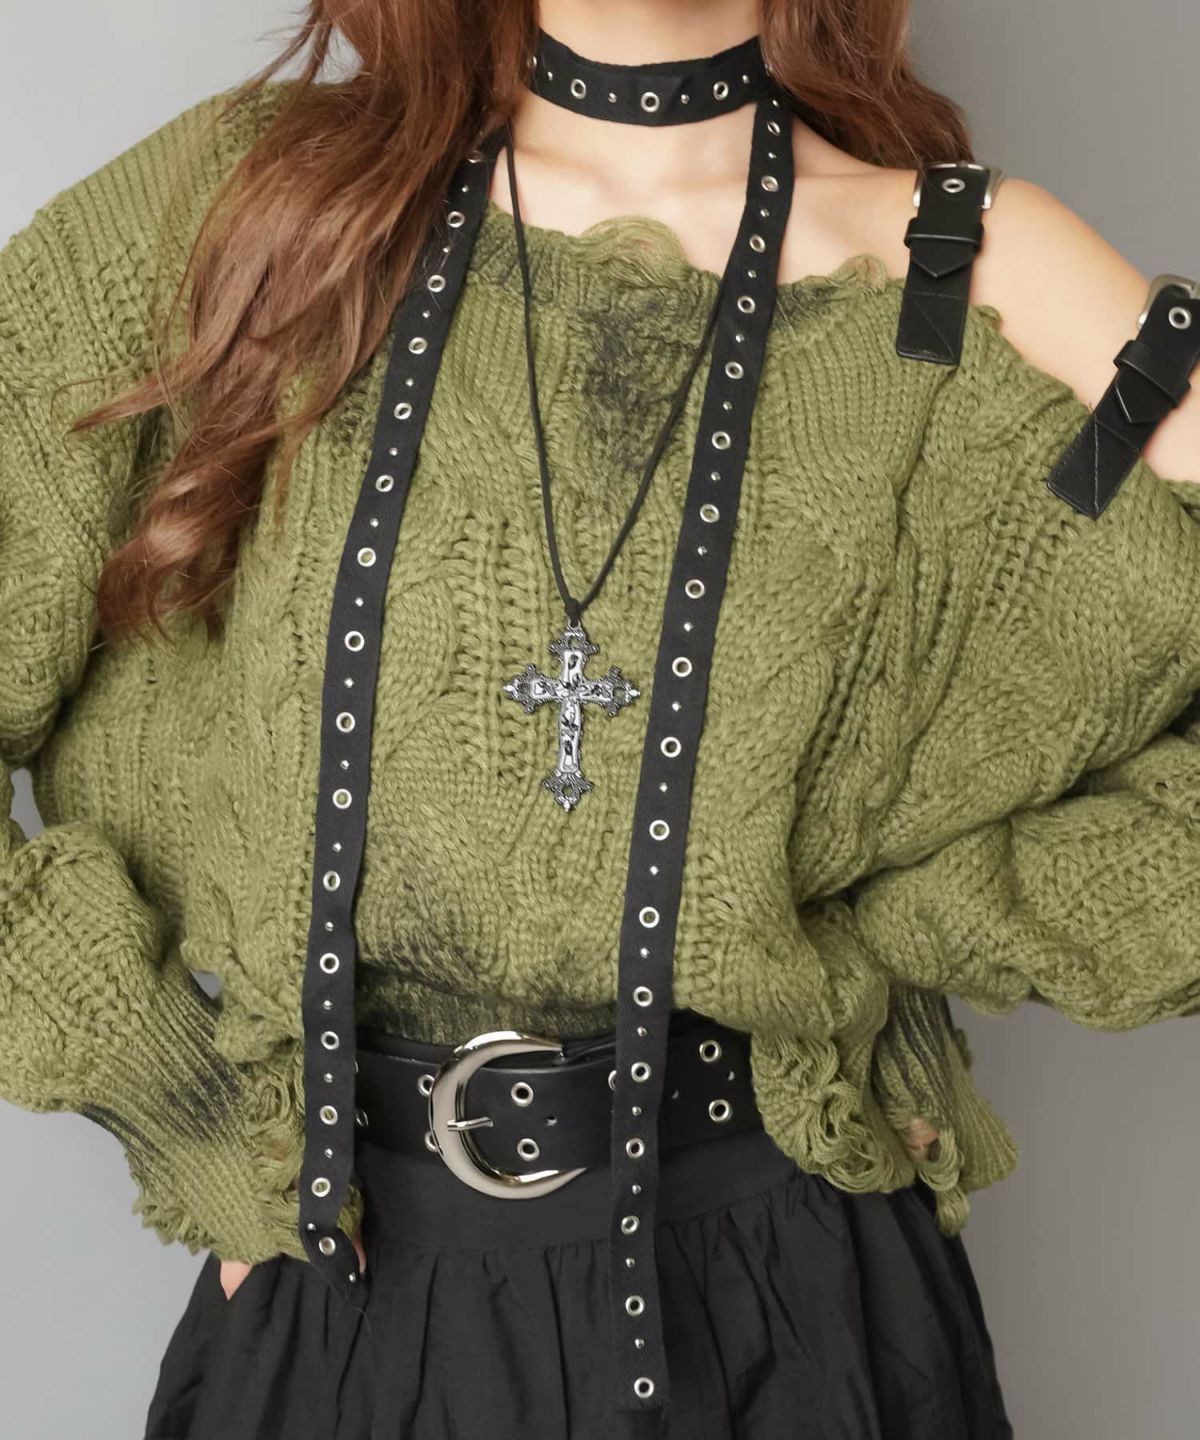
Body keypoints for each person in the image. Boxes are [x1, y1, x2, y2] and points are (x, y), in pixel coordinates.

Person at [3, 0, 1199, 1436]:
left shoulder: (968, 268)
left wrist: (902, 918)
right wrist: (182, 1110)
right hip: (343, 1290)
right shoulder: (259, 202)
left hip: (797, 1301)